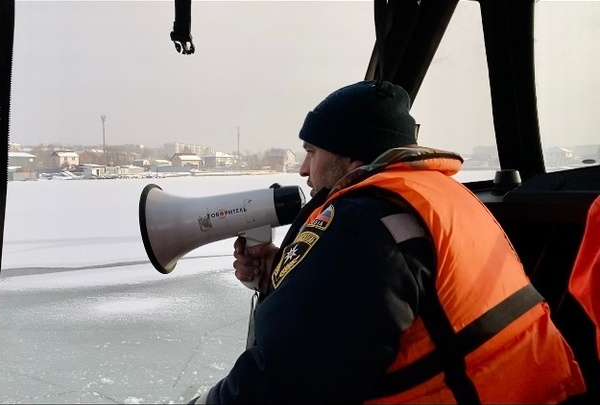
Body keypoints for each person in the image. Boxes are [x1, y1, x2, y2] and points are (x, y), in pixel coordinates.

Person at [188, 80, 587, 404]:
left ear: (351, 158)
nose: (303, 168)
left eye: (312, 151)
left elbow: (288, 378)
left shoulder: (364, 222)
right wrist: (281, 274)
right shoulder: (434, 195)